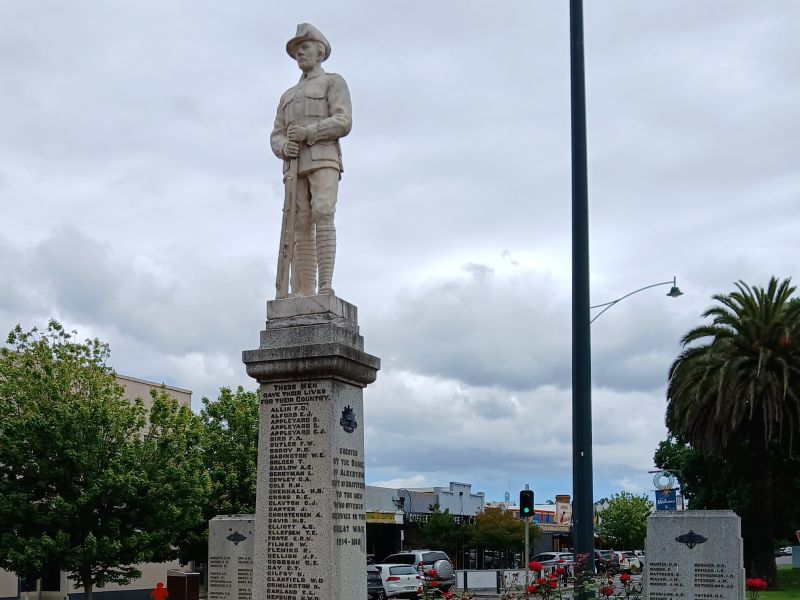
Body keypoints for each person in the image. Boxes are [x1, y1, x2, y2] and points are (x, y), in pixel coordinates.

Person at [271, 23, 352, 297]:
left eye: (304, 48)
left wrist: (309, 133)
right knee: (299, 224)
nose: (300, 54)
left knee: (323, 213)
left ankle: (325, 286)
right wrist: (284, 147)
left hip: (324, 158)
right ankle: (304, 290)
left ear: (320, 52)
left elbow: (343, 121)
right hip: (294, 167)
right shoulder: (287, 96)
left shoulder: (333, 82)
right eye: (296, 51)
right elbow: (276, 134)